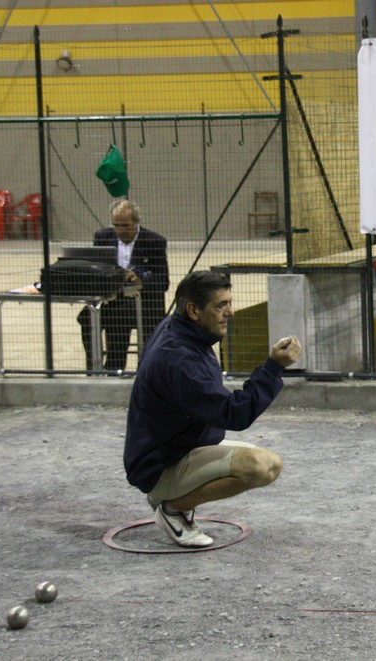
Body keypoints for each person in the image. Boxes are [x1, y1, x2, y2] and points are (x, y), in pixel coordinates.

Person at [124, 270, 302, 547]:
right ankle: (172, 509)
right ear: (193, 310)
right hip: (160, 465)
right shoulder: (179, 359)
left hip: (175, 449)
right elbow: (235, 414)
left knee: (272, 464)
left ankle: (175, 499)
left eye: (230, 302)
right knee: (256, 467)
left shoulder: (178, 329)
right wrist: (273, 368)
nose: (231, 312)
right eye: (221, 305)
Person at [78, 199, 169, 373]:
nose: (121, 230)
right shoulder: (102, 238)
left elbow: (163, 281)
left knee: (118, 317)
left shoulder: (154, 241)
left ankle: (117, 367)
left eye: (126, 226)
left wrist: (140, 279)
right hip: (111, 299)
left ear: (136, 221)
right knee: (86, 317)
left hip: (145, 302)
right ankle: (94, 366)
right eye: (116, 226)